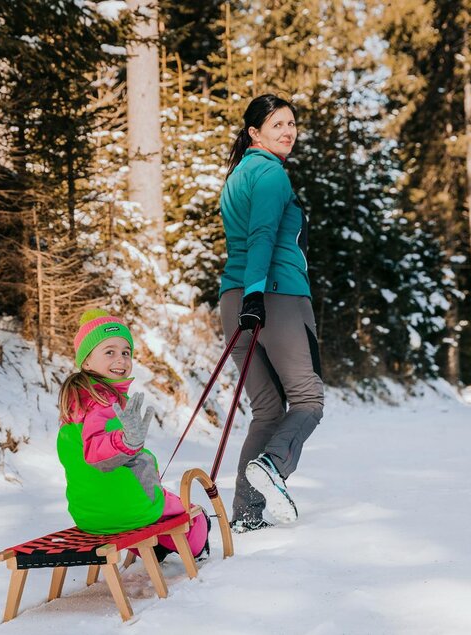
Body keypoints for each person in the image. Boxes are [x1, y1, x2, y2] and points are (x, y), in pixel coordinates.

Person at [217, 94, 324, 533]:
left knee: (266, 410)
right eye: (277, 124)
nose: (288, 131)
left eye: (291, 123)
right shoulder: (271, 173)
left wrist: (246, 299)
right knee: (308, 400)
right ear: (254, 133)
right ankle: (274, 467)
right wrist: (258, 296)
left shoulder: (236, 177)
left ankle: (246, 514)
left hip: (232, 301)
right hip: (274, 298)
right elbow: (262, 235)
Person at [57, 309, 209, 560]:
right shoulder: (103, 403)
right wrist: (126, 442)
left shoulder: (74, 408)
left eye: (126, 353)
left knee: (146, 511)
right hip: (130, 509)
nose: (121, 359)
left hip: (88, 516)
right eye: (110, 352)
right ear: (86, 361)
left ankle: (155, 548)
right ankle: (196, 549)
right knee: (192, 514)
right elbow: (94, 452)